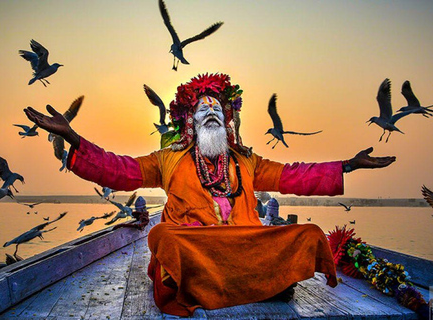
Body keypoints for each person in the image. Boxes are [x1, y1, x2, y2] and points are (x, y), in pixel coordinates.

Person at [24, 73, 395, 316]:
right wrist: (72, 138)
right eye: (203, 108)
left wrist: (347, 165)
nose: (211, 111)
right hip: (197, 245)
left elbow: (294, 175)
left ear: (227, 119)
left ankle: (245, 280)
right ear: (190, 121)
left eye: (217, 107)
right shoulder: (167, 160)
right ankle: (261, 283)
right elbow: (118, 170)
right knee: (163, 235)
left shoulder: (247, 162)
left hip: (243, 244)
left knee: (308, 233)